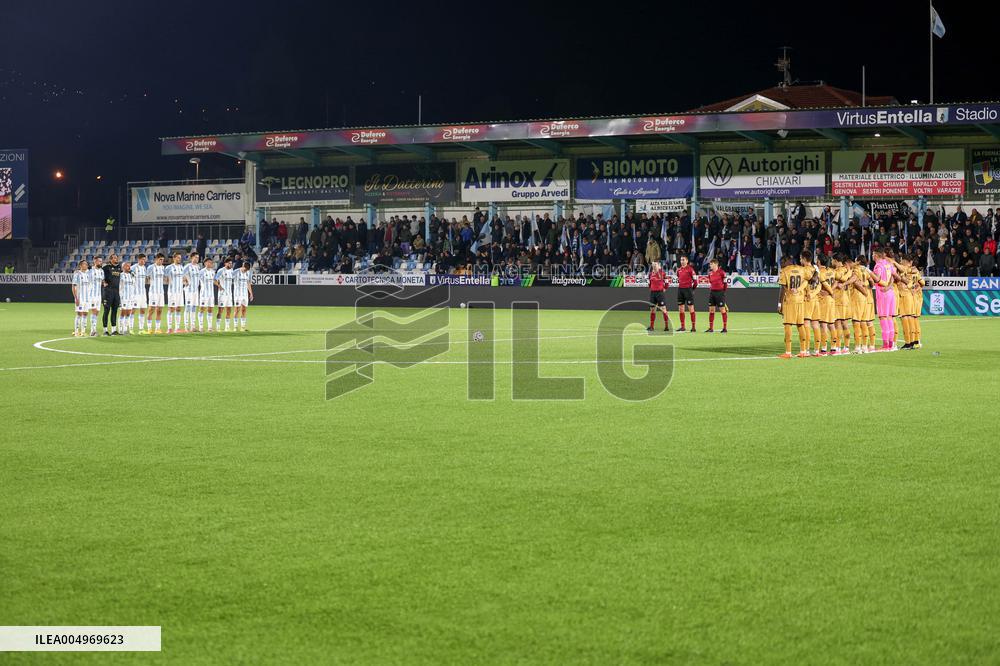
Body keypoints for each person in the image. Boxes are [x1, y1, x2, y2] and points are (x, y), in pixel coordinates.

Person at [777, 253, 814, 358]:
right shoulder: (802, 269)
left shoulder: (784, 271)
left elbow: (782, 289)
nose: (781, 265)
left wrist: (779, 304)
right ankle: (803, 351)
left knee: (787, 325)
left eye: (781, 263)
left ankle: (788, 352)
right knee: (800, 325)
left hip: (790, 301)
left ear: (786, 261)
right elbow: (812, 279)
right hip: (800, 301)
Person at [869, 249, 898, 351]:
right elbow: (894, 277)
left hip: (882, 293)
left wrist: (869, 273)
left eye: (873, 254)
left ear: (876, 255)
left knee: (883, 318)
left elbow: (877, 278)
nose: (872, 256)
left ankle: (885, 345)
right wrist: (889, 287)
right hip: (890, 293)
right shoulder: (888, 264)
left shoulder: (878, 266)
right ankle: (890, 344)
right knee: (889, 317)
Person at [164, 252, 186, 333]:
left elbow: (183, 278)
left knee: (178, 308)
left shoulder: (181, 267)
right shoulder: (169, 267)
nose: (179, 259)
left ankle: (177, 328)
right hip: (172, 292)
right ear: (174, 258)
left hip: (180, 292)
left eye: (180, 258)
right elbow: (165, 279)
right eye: (178, 258)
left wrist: (185, 282)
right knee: (171, 309)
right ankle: (169, 328)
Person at [101, 253, 122, 335]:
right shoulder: (106, 267)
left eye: (117, 258)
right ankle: (105, 330)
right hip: (108, 292)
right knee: (106, 310)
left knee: (115, 310)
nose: (116, 259)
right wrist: (103, 282)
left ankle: (114, 330)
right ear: (111, 259)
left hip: (116, 292)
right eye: (114, 258)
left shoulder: (119, 267)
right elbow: (100, 274)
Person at [646, 261, 670, 332]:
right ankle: (652, 326)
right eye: (653, 264)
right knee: (652, 310)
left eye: (655, 264)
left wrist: (665, 288)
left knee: (663, 309)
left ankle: (666, 326)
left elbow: (667, 282)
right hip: (653, 293)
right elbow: (649, 283)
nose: (654, 265)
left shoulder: (662, 273)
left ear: (659, 266)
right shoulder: (650, 274)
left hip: (660, 293)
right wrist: (651, 288)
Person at [146, 253, 166, 334]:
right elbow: (147, 278)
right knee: (151, 310)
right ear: (156, 259)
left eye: (162, 260)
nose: (161, 261)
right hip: (153, 292)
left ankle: (158, 328)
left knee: (159, 310)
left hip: (161, 292)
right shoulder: (150, 267)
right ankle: (149, 328)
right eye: (160, 259)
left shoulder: (163, 267)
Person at [705, 258, 728, 333]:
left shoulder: (722, 272)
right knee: (711, 310)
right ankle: (711, 328)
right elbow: (711, 282)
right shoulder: (710, 273)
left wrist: (723, 293)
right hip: (712, 293)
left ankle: (724, 328)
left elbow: (725, 284)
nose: (710, 265)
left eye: (711, 264)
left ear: (716, 264)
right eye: (710, 264)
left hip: (720, 293)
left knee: (722, 310)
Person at [676, 255, 697, 332]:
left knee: (691, 308)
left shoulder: (690, 269)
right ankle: (682, 327)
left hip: (688, 290)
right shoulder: (679, 270)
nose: (682, 261)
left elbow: (695, 282)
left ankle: (693, 327)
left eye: (683, 260)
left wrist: (692, 289)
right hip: (680, 290)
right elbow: (679, 278)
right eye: (681, 260)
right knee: (681, 309)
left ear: (687, 261)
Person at [71, 259, 92, 337]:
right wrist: (76, 298)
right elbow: (73, 287)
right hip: (80, 298)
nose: (86, 265)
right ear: (80, 265)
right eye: (84, 264)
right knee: (79, 314)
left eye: (86, 264)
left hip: (87, 298)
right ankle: (76, 331)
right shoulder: (77, 274)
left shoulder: (89, 274)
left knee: (85, 314)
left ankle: (83, 331)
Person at [215, 257, 236, 332]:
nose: (230, 264)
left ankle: (227, 327)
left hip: (229, 294)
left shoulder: (232, 271)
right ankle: (218, 326)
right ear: (225, 263)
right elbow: (215, 279)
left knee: (229, 310)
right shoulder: (221, 270)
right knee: (220, 310)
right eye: (229, 263)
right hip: (222, 294)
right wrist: (219, 286)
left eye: (231, 263)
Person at [232, 261, 254, 332]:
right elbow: (228, 279)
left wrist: (251, 293)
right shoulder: (236, 272)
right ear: (242, 266)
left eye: (247, 270)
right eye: (245, 269)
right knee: (237, 309)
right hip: (237, 294)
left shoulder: (249, 273)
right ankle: (235, 327)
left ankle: (243, 327)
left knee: (244, 310)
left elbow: (248, 283)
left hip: (245, 294)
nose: (246, 271)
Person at [182, 252, 201, 332]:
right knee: (188, 307)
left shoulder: (198, 267)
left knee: (194, 307)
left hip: (195, 290)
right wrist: (184, 282)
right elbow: (181, 275)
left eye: (198, 257)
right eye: (195, 257)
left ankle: (193, 326)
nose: (197, 259)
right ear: (191, 258)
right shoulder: (187, 266)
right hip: (189, 290)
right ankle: (186, 327)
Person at [198, 258, 217, 332]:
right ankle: (201, 327)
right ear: (205, 263)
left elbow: (214, 281)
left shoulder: (213, 272)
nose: (211, 264)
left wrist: (219, 285)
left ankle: (210, 327)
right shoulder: (201, 272)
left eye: (211, 262)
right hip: (204, 294)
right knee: (202, 309)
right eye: (209, 262)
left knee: (210, 309)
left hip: (211, 294)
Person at [88, 256, 105, 337]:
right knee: (94, 311)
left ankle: (93, 329)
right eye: (99, 261)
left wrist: (105, 284)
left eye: (101, 261)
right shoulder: (90, 271)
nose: (100, 263)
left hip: (99, 295)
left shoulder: (101, 271)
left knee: (97, 313)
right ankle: (93, 331)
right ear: (95, 261)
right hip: (92, 295)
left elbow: (102, 282)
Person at [118, 261, 136, 335]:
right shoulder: (120, 275)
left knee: (128, 313)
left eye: (129, 266)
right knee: (123, 312)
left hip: (131, 297)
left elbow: (134, 286)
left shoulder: (132, 275)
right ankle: (120, 329)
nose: (129, 267)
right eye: (127, 266)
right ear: (123, 267)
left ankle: (125, 329)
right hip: (123, 297)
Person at [133, 254, 149, 334]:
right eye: (142, 259)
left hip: (143, 293)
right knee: (133, 310)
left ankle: (141, 329)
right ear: (138, 260)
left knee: (143, 310)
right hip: (135, 293)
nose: (144, 261)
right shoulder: (133, 268)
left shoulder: (144, 268)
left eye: (144, 259)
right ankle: (130, 328)